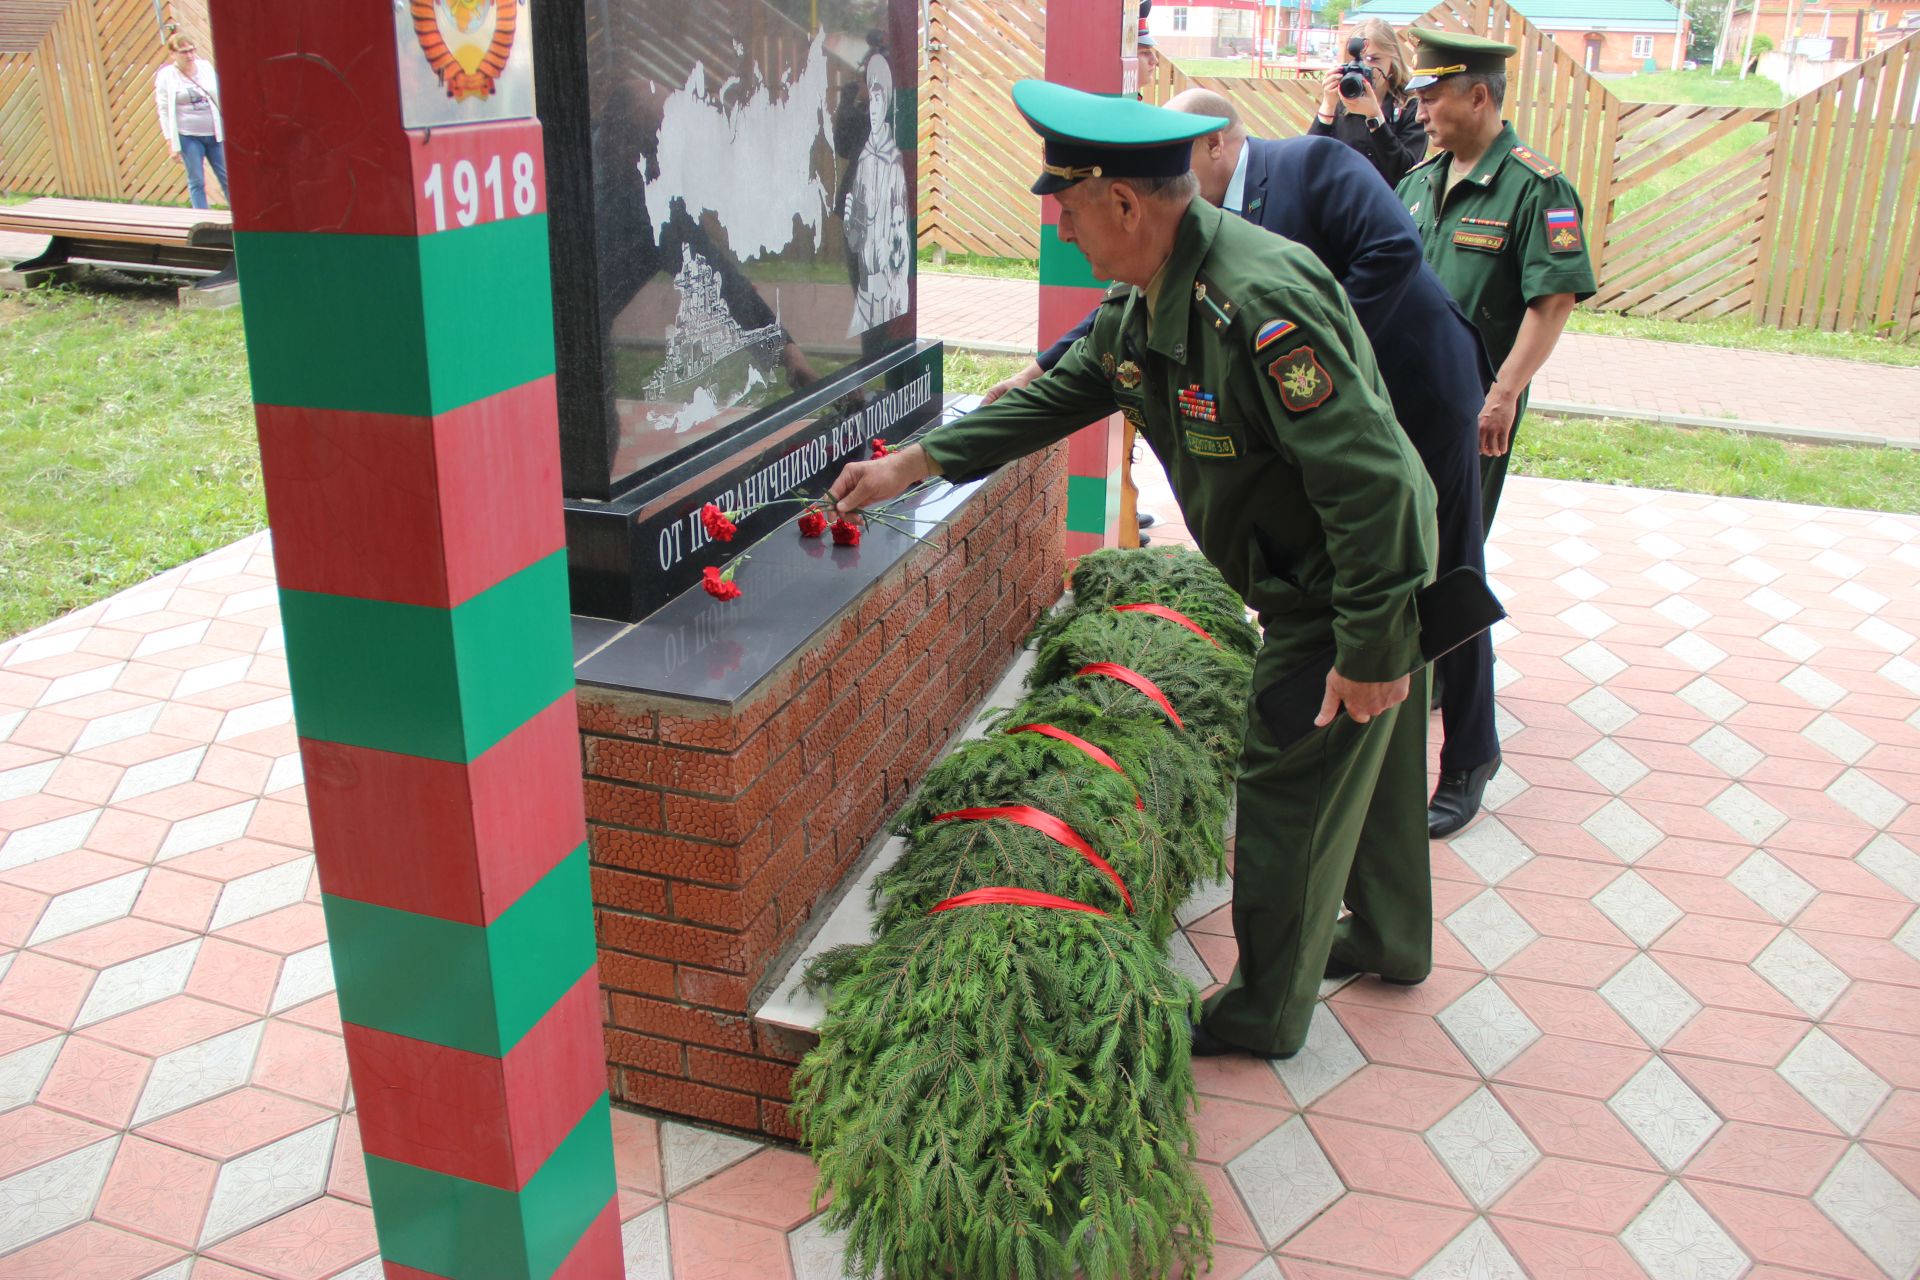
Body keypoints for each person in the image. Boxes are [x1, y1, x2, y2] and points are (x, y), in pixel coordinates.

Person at [833, 80, 1439, 1059]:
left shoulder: (1257, 303)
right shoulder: (1153, 298)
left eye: (1067, 208)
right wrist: (915, 461)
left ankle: (1262, 1013)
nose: (1061, 229)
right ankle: (1391, 937)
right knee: (1373, 758)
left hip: (1345, 586)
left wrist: (1369, 639)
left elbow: (1373, 485)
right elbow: (1063, 392)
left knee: (1288, 793)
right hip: (1342, 578)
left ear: (1123, 203)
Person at [992, 90, 1503, 835]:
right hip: (1324, 415)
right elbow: (1126, 312)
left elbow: (1391, 255)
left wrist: (1303, 351)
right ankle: (1391, 724)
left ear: (1217, 149)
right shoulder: (1191, 234)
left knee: (1440, 572)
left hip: (1421, 387)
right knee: (1387, 590)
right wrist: (1045, 369)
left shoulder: (1317, 167)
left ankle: (1468, 755)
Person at [1395, 29, 1596, 538]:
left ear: (1478, 96)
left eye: (1431, 99)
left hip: (1473, 400)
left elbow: (1553, 302)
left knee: (1452, 539)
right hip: (1403, 388)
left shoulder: (1538, 188)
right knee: (1396, 530)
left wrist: (1504, 394)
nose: (1419, 114)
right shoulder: (1416, 182)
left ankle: (1455, 622)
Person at [1308, 18, 1427, 189]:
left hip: (1387, 206)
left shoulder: (1410, 107)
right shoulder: (1339, 104)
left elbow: (1404, 173)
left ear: (1392, 64)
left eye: (1374, 59)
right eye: (1355, 59)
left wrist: (1375, 119)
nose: (1364, 67)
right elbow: (1310, 162)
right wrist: (1328, 105)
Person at [153, 34, 226, 210]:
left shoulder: (205, 68)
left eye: (191, 50)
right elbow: (163, 109)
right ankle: (201, 218)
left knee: (226, 177)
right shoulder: (166, 76)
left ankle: (239, 218)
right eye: (184, 52)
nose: (189, 55)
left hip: (214, 133)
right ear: (173, 54)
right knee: (197, 180)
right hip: (188, 136)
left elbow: (221, 94)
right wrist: (170, 140)